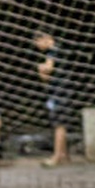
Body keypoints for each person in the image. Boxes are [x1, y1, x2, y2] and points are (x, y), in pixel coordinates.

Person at [34, 29, 75, 167]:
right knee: (59, 124)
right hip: (56, 92)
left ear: (46, 38)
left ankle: (56, 157)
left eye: (37, 42)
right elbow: (46, 78)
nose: (37, 46)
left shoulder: (54, 51)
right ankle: (64, 155)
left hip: (61, 93)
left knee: (59, 125)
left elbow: (47, 70)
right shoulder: (55, 52)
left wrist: (41, 68)